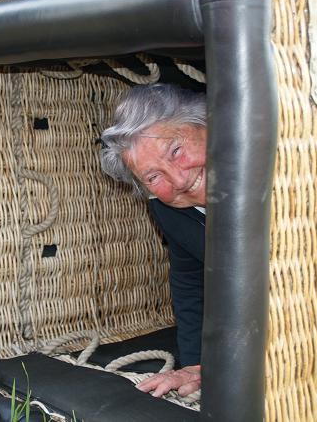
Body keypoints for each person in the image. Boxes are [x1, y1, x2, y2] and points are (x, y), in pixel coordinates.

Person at [100, 83, 206, 398]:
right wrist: (196, 365)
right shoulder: (168, 210)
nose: (179, 180)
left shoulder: (288, 173)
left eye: (175, 151)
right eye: (153, 177)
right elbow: (190, 281)